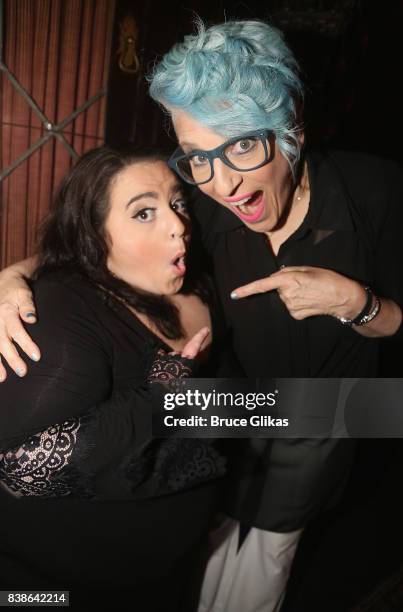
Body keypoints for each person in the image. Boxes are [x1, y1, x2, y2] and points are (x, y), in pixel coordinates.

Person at [1, 18, 403, 612]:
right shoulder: (206, 208)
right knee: (207, 543)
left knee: (267, 563)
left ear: (289, 126)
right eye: (197, 157)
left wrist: (358, 304)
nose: (222, 183)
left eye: (242, 144)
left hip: (333, 410)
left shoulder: (378, 192)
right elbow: (91, 243)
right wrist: (11, 276)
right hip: (238, 404)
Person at [0, 146, 230, 611]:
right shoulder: (65, 319)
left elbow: (240, 410)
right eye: (143, 212)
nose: (177, 224)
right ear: (94, 235)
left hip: (160, 571)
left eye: (177, 203)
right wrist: (164, 390)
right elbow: (20, 468)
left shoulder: (196, 278)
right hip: (56, 588)